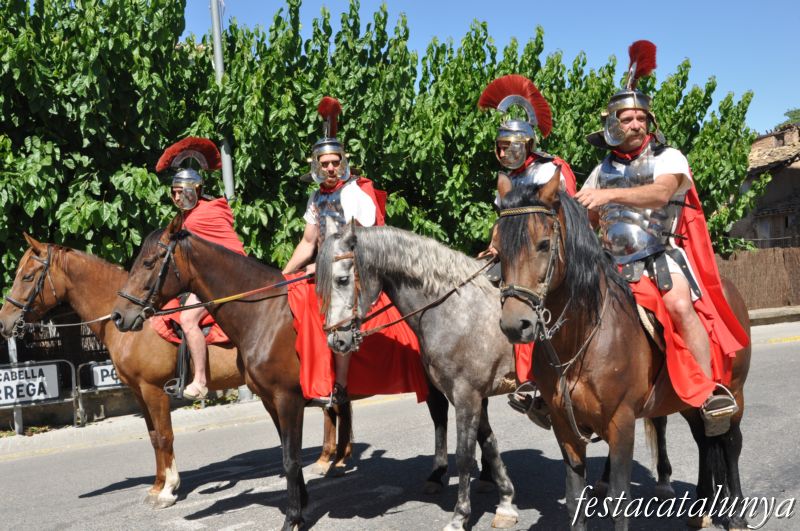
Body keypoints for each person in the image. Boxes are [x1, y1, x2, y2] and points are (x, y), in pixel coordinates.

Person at [574, 41, 748, 433]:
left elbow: (659, 193)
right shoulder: (601, 168)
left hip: (658, 259)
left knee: (681, 308)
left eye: (640, 118)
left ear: (650, 121)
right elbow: (585, 212)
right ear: (612, 124)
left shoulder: (669, 158)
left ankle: (707, 393)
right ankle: (571, 398)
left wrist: (607, 195)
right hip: (610, 263)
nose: (635, 124)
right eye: (627, 118)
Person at [477, 74, 578, 428]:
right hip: (517, 254)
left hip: (549, 254)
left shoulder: (549, 170)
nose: (505, 152)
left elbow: (556, 218)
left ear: (527, 143)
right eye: (501, 146)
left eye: (511, 146)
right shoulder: (506, 179)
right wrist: (493, 246)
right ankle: (500, 370)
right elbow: (504, 221)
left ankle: (539, 376)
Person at [282, 96, 384, 405]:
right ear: (316, 166)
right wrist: (285, 273)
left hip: (351, 266)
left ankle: (339, 385)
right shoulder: (316, 198)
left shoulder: (356, 194)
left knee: (339, 313)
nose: (330, 168)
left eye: (334, 162)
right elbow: (308, 242)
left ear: (343, 163)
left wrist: (325, 266)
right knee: (290, 291)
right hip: (325, 266)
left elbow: (366, 239)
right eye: (324, 163)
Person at [156, 137, 246, 400]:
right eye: (173, 192)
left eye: (181, 192)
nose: (176, 197)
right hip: (204, 281)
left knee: (187, 318)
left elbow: (230, 253)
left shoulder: (207, 213)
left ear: (195, 190)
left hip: (223, 280)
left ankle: (200, 380)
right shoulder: (185, 217)